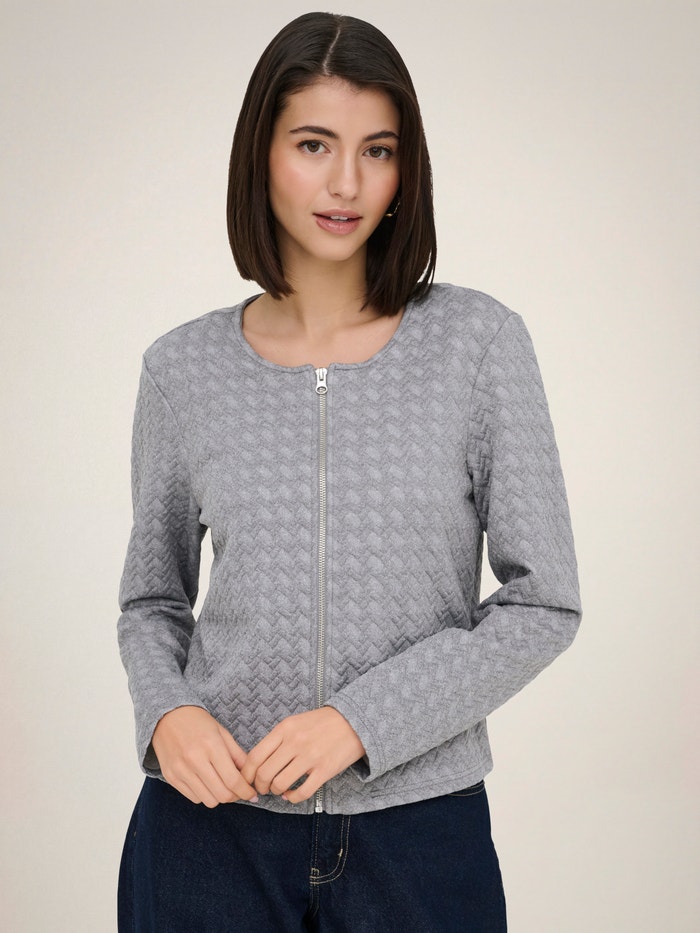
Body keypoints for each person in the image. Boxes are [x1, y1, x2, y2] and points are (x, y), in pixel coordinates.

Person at [116, 11, 581, 932]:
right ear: (262, 155)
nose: (346, 183)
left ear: (407, 169)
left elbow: (545, 602)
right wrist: (167, 714)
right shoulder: (183, 369)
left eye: (378, 150)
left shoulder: (477, 345)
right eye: (314, 144)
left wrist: (362, 721)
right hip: (209, 832)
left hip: (418, 837)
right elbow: (151, 600)